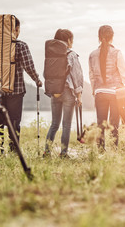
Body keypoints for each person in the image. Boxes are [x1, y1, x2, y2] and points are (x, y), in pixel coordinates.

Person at [0, 16, 42, 152]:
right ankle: (13, 150)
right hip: (16, 90)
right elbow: (28, 66)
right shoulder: (21, 46)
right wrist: (37, 80)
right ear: (16, 29)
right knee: (14, 121)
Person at [88, 25, 125, 151]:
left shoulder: (92, 55)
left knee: (100, 124)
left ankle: (100, 151)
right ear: (112, 37)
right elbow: (124, 74)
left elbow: (91, 76)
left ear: (99, 37)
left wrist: (95, 91)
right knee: (114, 124)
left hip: (99, 93)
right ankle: (114, 150)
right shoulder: (116, 53)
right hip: (115, 93)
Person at [44, 29, 83, 158]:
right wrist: (79, 94)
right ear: (67, 40)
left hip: (55, 91)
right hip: (67, 91)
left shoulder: (50, 55)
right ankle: (64, 153)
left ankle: (47, 151)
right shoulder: (71, 55)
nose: (72, 42)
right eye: (71, 39)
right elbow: (77, 76)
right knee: (66, 124)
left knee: (54, 123)